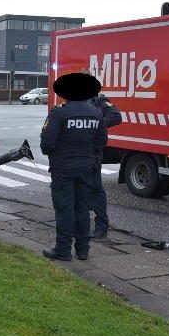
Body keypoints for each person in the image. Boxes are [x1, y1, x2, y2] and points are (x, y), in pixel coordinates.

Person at [40, 73, 107, 261]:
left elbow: (47, 143)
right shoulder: (96, 113)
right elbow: (101, 141)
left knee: (64, 208)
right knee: (82, 209)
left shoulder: (59, 113)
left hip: (63, 169)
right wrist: (90, 157)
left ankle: (63, 250)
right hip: (86, 168)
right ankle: (83, 250)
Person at [88, 93, 122, 239]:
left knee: (96, 190)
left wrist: (97, 124)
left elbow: (116, 116)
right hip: (77, 153)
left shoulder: (98, 100)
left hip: (92, 153)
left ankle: (101, 226)